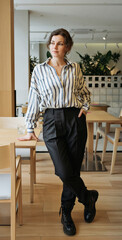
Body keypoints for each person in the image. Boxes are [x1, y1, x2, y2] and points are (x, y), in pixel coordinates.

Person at [19, 28, 99, 236]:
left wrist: (85, 106)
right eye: (52, 42)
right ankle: (87, 197)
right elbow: (34, 99)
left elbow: (84, 92)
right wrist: (30, 128)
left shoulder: (75, 68)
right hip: (51, 121)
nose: (55, 46)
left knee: (72, 169)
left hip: (75, 119)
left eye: (60, 43)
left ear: (67, 47)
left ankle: (66, 213)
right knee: (64, 171)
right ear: (49, 46)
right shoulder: (39, 70)